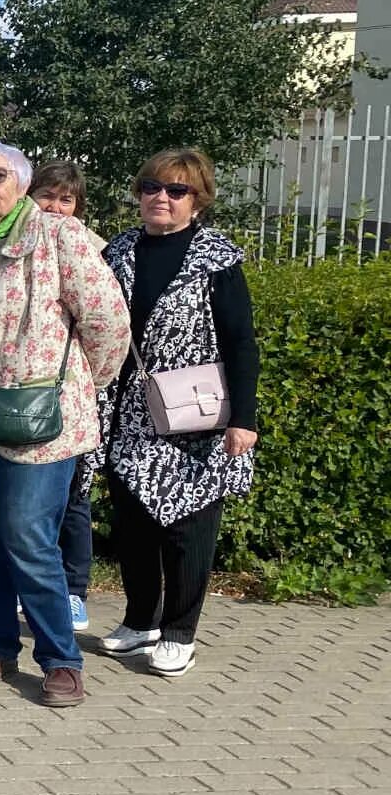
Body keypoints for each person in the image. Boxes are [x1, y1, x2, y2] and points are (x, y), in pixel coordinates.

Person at [0, 143, 128, 708]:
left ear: (21, 183)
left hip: (36, 419)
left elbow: (108, 323)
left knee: (27, 538)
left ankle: (61, 657)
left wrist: (77, 388)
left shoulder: (59, 237)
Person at [99, 149, 258, 679]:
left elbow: (241, 343)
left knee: (189, 526)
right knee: (135, 520)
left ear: (198, 199)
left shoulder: (216, 258)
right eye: (151, 187)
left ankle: (179, 632)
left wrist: (245, 418)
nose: (160, 198)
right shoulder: (118, 251)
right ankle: (140, 618)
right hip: (130, 413)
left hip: (196, 413)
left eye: (176, 190)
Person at [30, 160, 100, 630]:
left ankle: (73, 590)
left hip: (70, 397)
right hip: (21, 402)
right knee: (31, 508)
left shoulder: (91, 249)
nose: (55, 207)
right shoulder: (12, 244)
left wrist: (88, 378)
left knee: (72, 499)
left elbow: (106, 325)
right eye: (47, 196)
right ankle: (36, 586)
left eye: (66, 199)